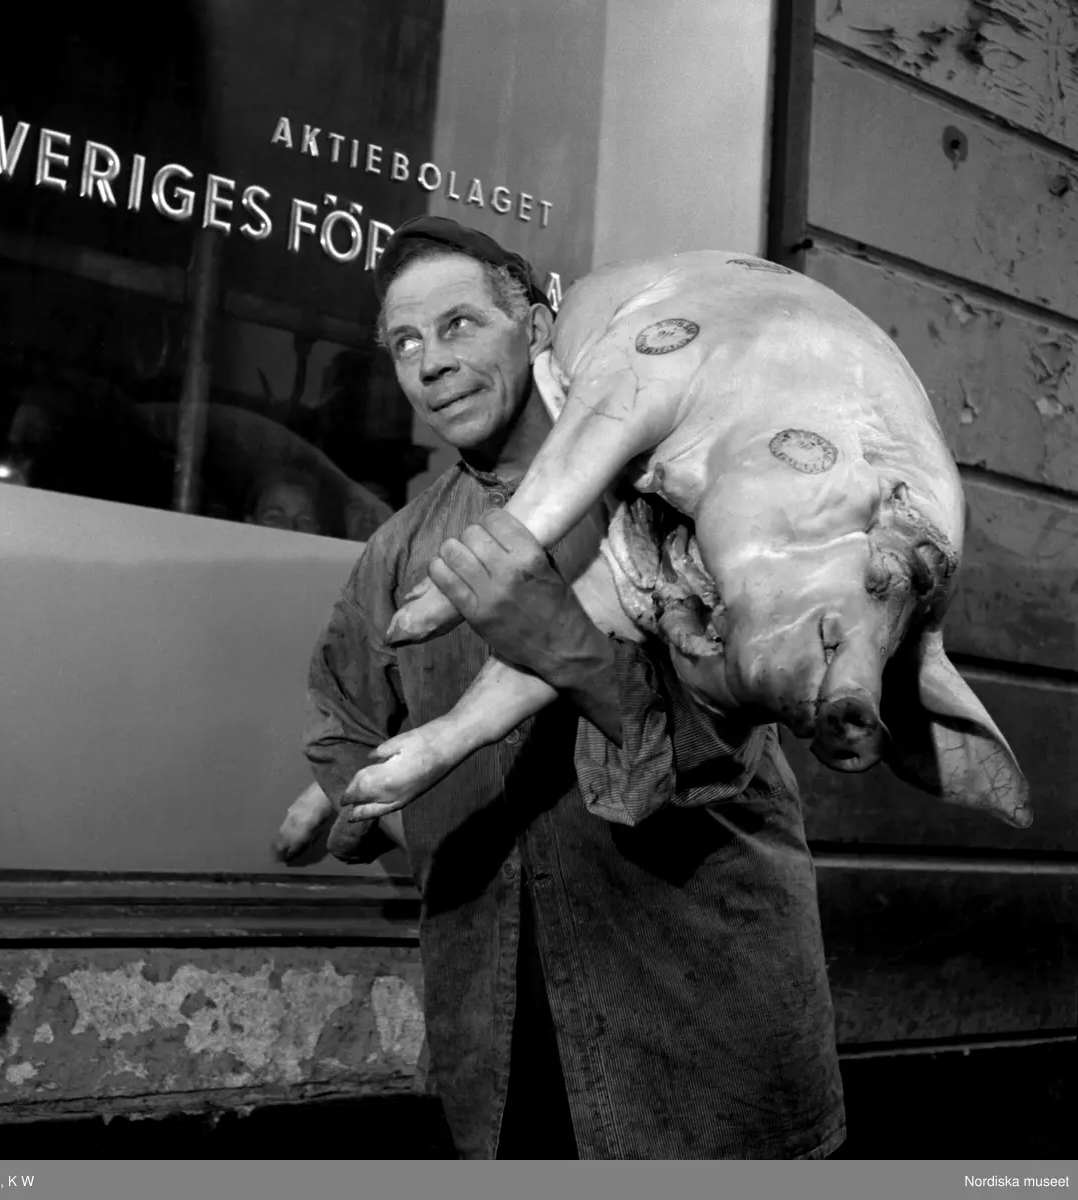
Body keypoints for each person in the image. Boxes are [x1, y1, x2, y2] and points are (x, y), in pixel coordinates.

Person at [297, 216, 846, 1159]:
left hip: (701, 1054)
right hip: (506, 1065)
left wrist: (564, 648)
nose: (431, 364)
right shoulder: (399, 553)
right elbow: (343, 731)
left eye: (461, 325)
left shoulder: (673, 494)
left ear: (542, 324)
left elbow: (716, 768)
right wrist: (422, 821)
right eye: (406, 343)